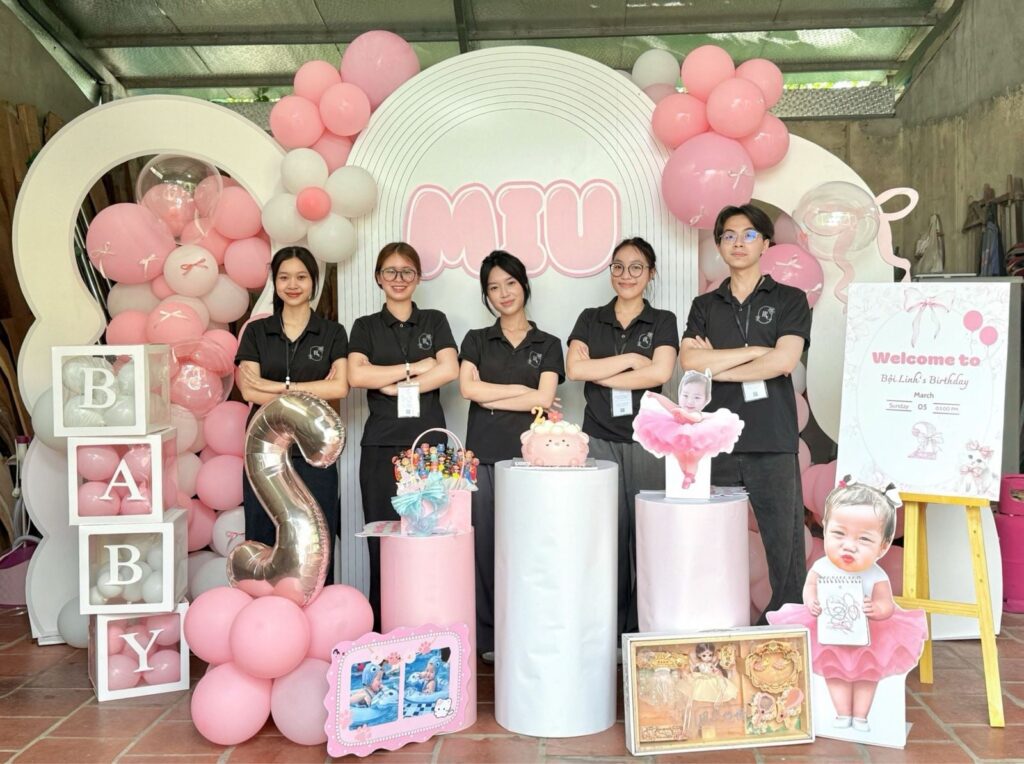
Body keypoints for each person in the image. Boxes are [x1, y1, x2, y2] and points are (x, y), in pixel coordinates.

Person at [679, 204, 811, 622]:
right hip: (715, 438)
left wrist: (717, 366)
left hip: (772, 437)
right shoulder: (705, 305)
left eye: (749, 234)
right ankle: (710, 622)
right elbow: (690, 363)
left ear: (766, 243)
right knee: (707, 539)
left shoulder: (789, 299)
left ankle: (785, 625)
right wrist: (756, 352)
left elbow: (784, 362)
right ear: (719, 245)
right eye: (729, 235)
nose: (739, 243)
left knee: (785, 548)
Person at [566, 237, 678, 635]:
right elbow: (574, 370)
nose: (625, 275)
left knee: (647, 537)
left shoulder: (662, 320)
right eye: (618, 266)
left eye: (636, 267)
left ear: (650, 273)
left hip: (648, 440)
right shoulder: (590, 318)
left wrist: (600, 370)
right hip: (598, 438)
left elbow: (660, 373)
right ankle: (607, 632)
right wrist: (631, 361)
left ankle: (645, 631)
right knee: (604, 538)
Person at [347, 242, 459, 629]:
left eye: (407, 271)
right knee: (384, 539)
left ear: (418, 277)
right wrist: (416, 367)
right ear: (378, 278)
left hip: (430, 446)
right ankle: (385, 626)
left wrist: (391, 383)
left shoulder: (434, 320)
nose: (399, 279)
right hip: (381, 444)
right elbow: (357, 375)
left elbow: (449, 369)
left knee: (430, 536)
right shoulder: (365, 326)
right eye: (390, 271)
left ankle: (430, 624)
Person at [460, 250, 564, 660]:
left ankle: (529, 628)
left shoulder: (549, 343)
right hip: (483, 456)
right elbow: (467, 389)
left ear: (524, 285)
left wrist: (493, 394)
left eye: (510, 283)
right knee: (485, 547)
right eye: (494, 287)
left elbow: (546, 397)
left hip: (533, 459)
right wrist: (524, 393)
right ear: (486, 295)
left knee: (530, 546)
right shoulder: (476, 340)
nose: (504, 293)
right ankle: (488, 638)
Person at [769, 480, 927, 732]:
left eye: (863, 539)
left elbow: (886, 603)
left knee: (868, 675)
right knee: (834, 673)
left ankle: (861, 715)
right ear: (825, 527)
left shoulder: (876, 575)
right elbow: (810, 586)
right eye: (839, 534)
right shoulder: (821, 567)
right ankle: (842, 713)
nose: (849, 545)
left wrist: (878, 609)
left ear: (883, 546)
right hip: (829, 632)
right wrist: (811, 600)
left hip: (870, 636)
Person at [235, 246, 349, 583]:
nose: (293, 285)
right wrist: (311, 388)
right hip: (263, 452)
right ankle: (265, 607)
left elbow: (340, 387)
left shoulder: (332, 332)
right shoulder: (257, 332)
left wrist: (278, 386)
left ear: (313, 282)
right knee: (263, 532)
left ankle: (318, 605)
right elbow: (249, 391)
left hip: (314, 450)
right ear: (275, 282)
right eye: (284, 277)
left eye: (301, 277)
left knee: (318, 537)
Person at [632, 370, 744, 488]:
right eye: (685, 395)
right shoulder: (679, 408)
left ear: (705, 400)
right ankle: (686, 474)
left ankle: (690, 475)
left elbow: (695, 418)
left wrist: (683, 413)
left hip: (696, 436)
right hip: (679, 436)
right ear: (680, 394)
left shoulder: (697, 413)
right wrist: (657, 396)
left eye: (697, 397)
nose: (690, 401)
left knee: (693, 458)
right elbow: (668, 405)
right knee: (679, 456)